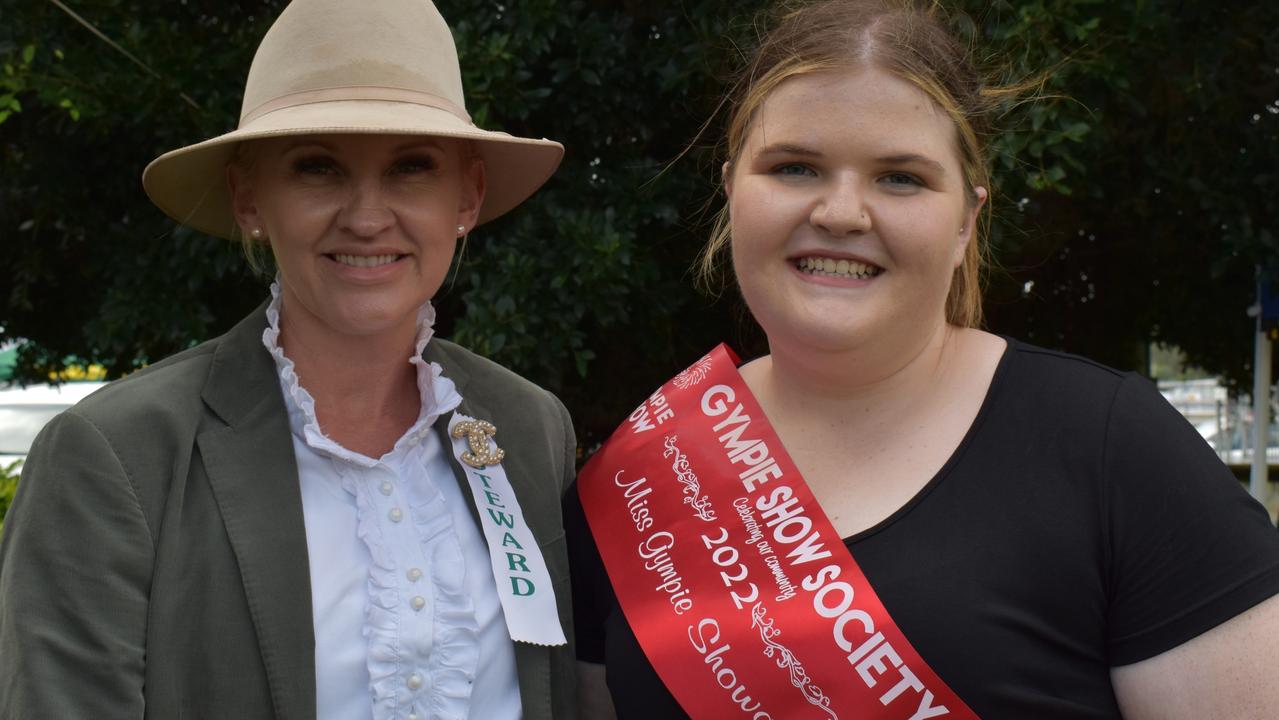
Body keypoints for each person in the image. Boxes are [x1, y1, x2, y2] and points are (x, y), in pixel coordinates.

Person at [567, 1, 1279, 718]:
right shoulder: (636, 478)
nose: (841, 213)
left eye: (900, 178)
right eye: (793, 167)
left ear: (967, 219)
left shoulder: (1107, 447)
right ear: (731, 190)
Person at [0, 1, 577, 718]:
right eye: (317, 168)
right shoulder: (117, 456)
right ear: (249, 198)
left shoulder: (527, 428)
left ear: (468, 196)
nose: (367, 217)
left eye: (412, 169)